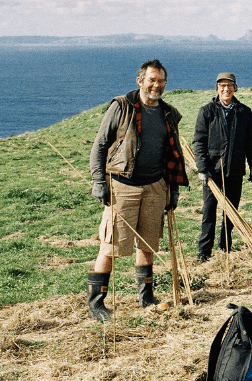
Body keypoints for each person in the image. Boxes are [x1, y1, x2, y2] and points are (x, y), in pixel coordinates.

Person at [87, 59, 189, 321]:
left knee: (148, 244)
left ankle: (146, 298)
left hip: (155, 187)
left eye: (161, 81)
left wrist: (173, 190)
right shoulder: (122, 107)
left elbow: (173, 154)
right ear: (140, 81)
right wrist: (98, 181)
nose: (157, 85)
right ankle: (96, 304)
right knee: (110, 245)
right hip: (123, 187)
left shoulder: (168, 113)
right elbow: (100, 145)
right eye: (152, 80)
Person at [192, 72, 252, 261]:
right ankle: (204, 251)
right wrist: (202, 169)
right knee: (209, 212)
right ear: (217, 89)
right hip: (212, 171)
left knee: (231, 211)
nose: (226, 89)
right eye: (222, 86)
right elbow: (198, 142)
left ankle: (225, 246)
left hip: (235, 169)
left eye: (229, 86)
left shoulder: (244, 112)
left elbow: (250, 141)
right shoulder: (207, 111)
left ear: (235, 88)